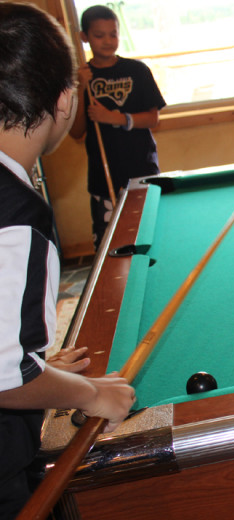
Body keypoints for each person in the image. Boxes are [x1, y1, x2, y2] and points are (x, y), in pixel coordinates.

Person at [0, 3, 136, 517]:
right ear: (64, 101)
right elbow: (4, 376)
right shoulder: (16, 213)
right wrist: (86, 395)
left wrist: (34, 364)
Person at [69, 4, 166, 249]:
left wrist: (117, 118)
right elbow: (76, 131)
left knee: (149, 239)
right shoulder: (81, 78)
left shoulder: (137, 71)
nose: (108, 41)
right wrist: (80, 87)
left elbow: (153, 119)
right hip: (104, 178)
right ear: (84, 37)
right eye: (99, 35)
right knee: (109, 247)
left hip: (143, 171)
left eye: (113, 34)